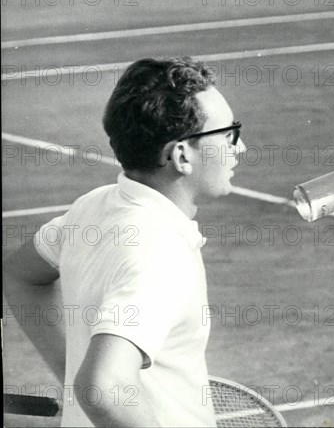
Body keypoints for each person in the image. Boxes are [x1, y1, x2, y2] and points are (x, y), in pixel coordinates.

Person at [3, 56, 245, 427]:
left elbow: (20, 274)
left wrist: (71, 372)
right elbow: (102, 388)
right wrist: (82, 383)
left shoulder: (93, 209)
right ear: (181, 155)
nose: (239, 148)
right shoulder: (161, 252)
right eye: (229, 135)